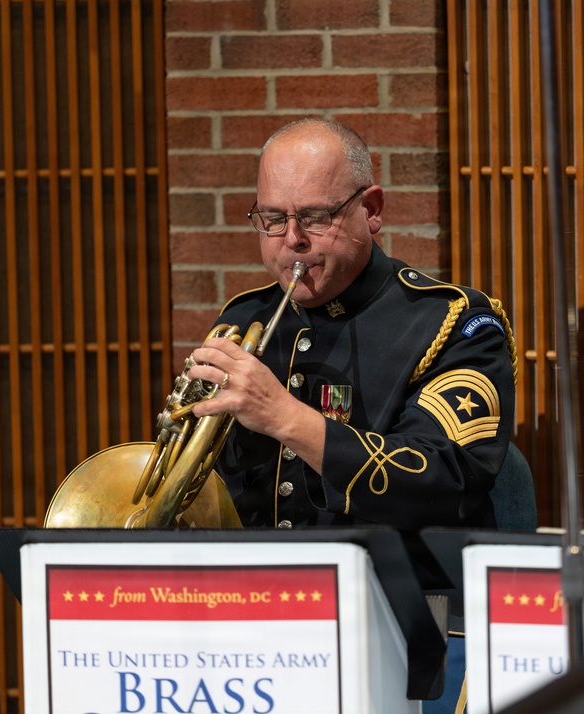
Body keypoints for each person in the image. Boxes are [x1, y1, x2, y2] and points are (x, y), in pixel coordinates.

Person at [187, 118, 517, 712]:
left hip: (404, 626)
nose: (292, 240)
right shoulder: (244, 321)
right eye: (271, 219)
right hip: (252, 632)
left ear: (373, 208)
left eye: (315, 218)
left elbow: (443, 479)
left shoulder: (455, 323)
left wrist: (288, 418)